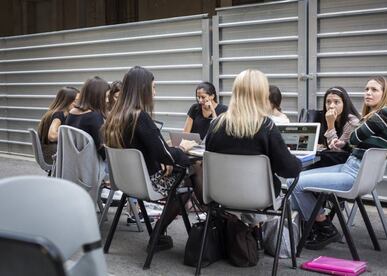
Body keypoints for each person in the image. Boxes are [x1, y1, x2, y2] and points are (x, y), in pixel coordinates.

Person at [288, 76, 387, 250]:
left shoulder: (382, 115)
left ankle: (324, 227)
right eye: (366, 89)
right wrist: (344, 143)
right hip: (352, 169)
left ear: (386, 93)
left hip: (353, 174)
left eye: (374, 90)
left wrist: (343, 134)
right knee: (294, 179)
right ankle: (315, 227)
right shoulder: (380, 116)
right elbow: (355, 142)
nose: (368, 93)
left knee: (293, 183)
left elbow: (355, 137)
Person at [205, 69, 302, 249]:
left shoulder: (215, 125)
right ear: (261, 94)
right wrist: (298, 162)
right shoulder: (266, 126)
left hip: (220, 195)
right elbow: (288, 170)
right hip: (260, 198)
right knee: (286, 192)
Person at [103, 66, 192, 251]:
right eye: (153, 87)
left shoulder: (115, 117)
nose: (155, 92)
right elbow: (165, 154)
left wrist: (165, 158)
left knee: (179, 170)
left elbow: (139, 149)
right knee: (190, 179)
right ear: (142, 89)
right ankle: (158, 235)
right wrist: (182, 149)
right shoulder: (140, 117)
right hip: (147, 184)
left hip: (127, 183)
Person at [313, 86, 360, 167]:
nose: (331, 106)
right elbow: (327, 146)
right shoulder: (325, 117)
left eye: (336, 102)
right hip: (333, 162)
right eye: (328, 102)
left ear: (344, 104)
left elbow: (336, 150)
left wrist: (330, 125)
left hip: (346, 164)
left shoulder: (352, 122)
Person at [66, 76, 109, 160]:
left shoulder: (71, 113)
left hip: (74, 163)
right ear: (97, 96)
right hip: (92, 165)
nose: (107, 100)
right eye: (106, 96)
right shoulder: (94, 116)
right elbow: (101, 149)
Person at [38, 86, 79, 164]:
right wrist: (71, 135)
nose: (79, 104)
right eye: (76, 101)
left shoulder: (54, 112)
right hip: (53, 155)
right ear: (67, 101)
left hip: (49, 152)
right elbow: (52, 136)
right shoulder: (59, 114)